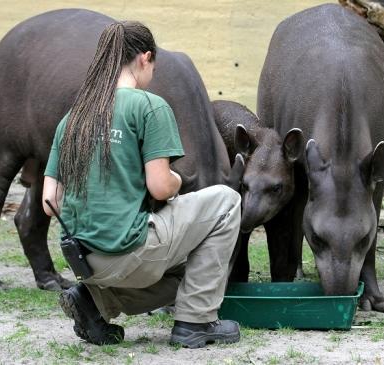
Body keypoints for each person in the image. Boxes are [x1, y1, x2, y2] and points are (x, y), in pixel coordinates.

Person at [42, 21, 241, 349]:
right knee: (226, 201)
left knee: (192, 269)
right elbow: (161, 187)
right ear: (145, 58)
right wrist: (177, 179)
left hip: (85, 262)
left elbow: (50, 201)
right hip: (133, 253)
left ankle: (93, 302)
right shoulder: (149, 106)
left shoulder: (73, 118)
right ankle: (197, 322)